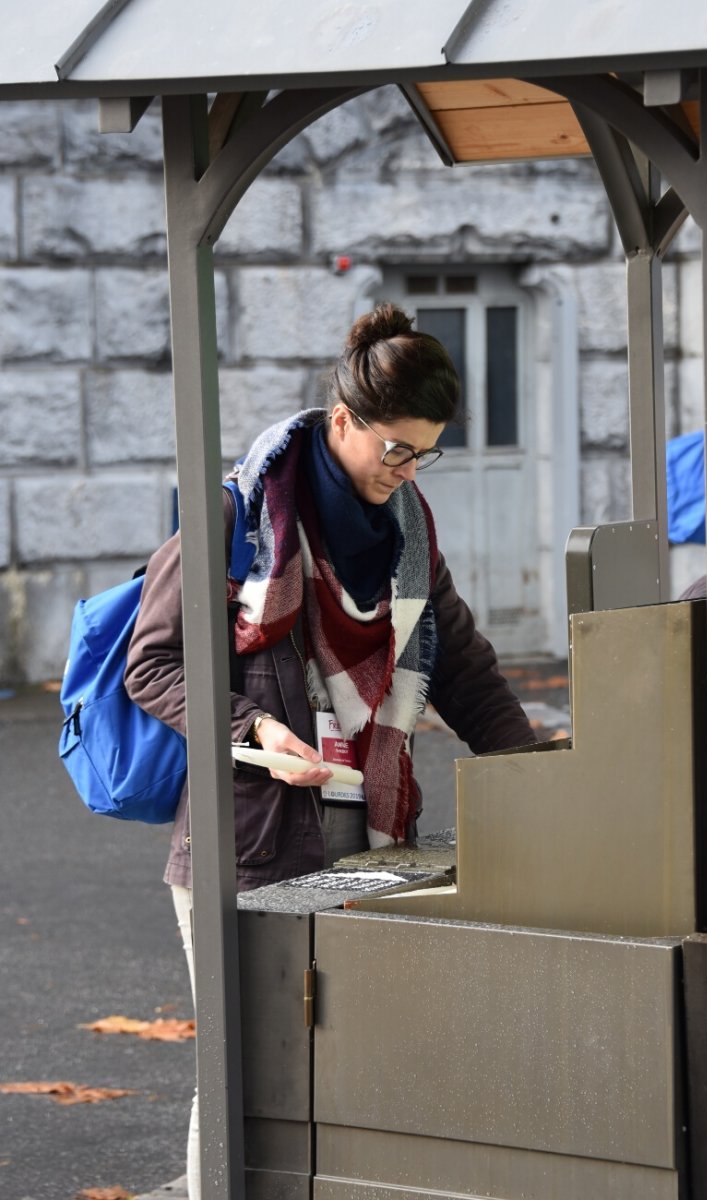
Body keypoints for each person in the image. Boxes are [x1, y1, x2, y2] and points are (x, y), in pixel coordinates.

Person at [124, 301, 537, 1197]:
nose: (409, 469)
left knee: (364, 1064)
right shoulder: (238, 515)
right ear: (343, 421)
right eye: (396, 448)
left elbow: (457, 660)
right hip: (252, 841)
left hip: (372, 839)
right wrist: (255, 730)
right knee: (246, 1070)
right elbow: (152, 665)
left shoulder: (407, 536)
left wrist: (528, 762)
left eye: (426, 453)